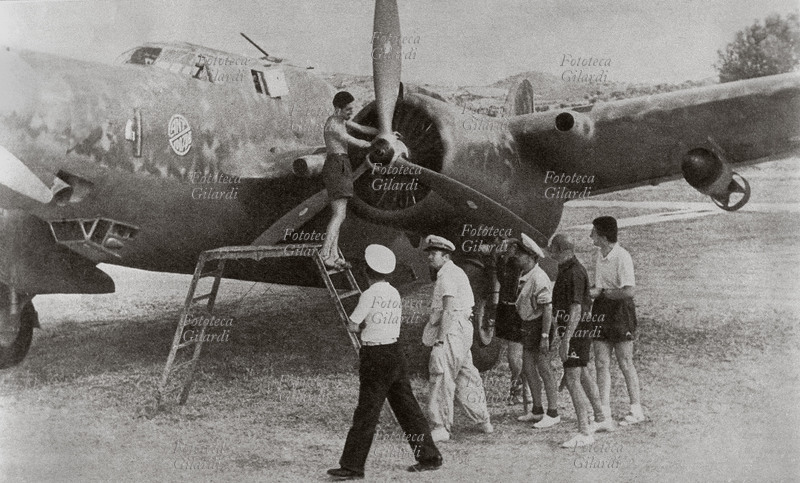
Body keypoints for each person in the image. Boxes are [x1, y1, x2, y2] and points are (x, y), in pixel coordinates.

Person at [327, 244, 442, 480]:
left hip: (375, 357)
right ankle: (429, 456)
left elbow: (352, 325)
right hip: (395, 353)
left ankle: (352, 466)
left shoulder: (368, 295)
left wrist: (360, 324)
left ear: (367, 272)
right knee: (408, 408)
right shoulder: (394, 293)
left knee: (367, 412)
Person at [421, 235, 493, 443]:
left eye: (433, 254)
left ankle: (441, 426)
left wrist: (440, 342)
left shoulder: (447, 276)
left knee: (441, 375)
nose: (429, 258)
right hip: (462, 330)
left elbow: (449, 310)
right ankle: (483, 420)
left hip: (452, 330)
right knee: (466, 375)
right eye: (429, 254)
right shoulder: (453, 272)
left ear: (445, 256)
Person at [548, 233, 609, 447]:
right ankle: (601, 418)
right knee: (583, 374)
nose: (549, 252)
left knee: (573, 380)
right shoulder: (570, 269)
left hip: (576, 332)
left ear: (562, 250)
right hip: (577, 331)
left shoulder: (573, 273)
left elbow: (575, 308)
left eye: (552, 248)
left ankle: (584, 431)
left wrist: (566, 339)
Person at [589, 216, 645, 426]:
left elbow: (629, 291)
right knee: (601, 363)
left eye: (593, 232)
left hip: (620, 312)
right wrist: (587, 295)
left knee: (625, 362)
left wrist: (604, 294)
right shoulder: (599, 254)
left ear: (603, 236)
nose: (590, 236)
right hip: (602, 310)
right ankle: (604, 413)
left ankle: (636, 409)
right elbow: (599, 287)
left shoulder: (623, 257)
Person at [320, 91, 378, 269]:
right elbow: (354, 140)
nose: (351, 112)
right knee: (339, 214)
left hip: (340, 164)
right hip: (337, 164)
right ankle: (325, 254)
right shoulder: (334, 125)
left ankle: (335, 255)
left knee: (339, 214)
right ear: (338, 109)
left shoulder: (340, 120)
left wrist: (383, 133)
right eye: (348, 110)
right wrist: (375, 144)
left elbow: (362, 130)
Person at [513, 234, 560, 429]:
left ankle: (553, 412)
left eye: (521, 255)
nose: (517, 257)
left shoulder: (539, 277)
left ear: (531, 257)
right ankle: (538, 409)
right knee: (528, 368)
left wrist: (544, 337)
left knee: (544, 369)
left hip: (540, 326)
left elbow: (547, 308)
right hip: (528, 325)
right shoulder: (525, 275)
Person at [491, 239, 532, 411]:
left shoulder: (520, 265)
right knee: (512, 356)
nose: (503, 246)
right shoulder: (502, 260)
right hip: (505, 310)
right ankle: (518, 390)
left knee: (514, 356)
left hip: (515, 311)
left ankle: (524, 391)